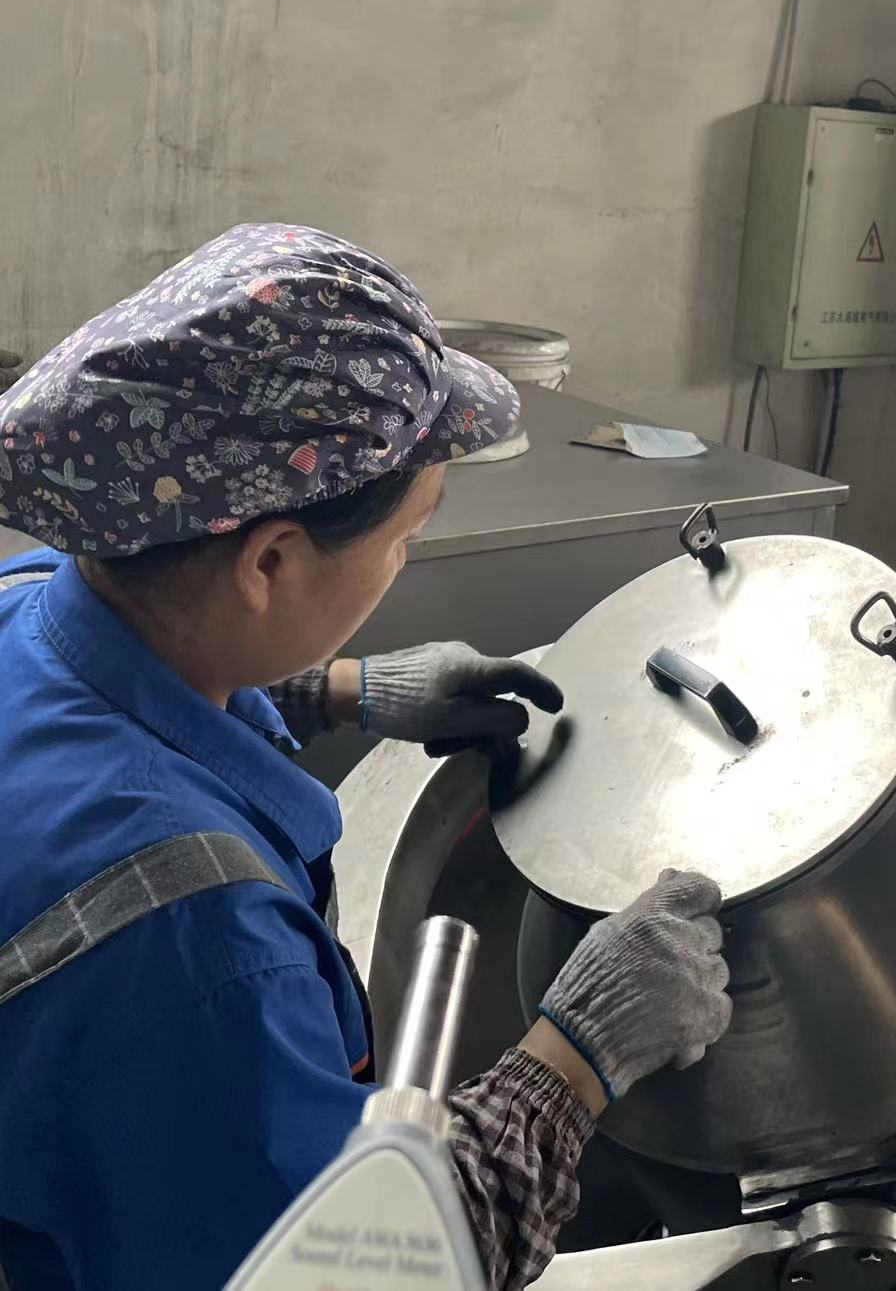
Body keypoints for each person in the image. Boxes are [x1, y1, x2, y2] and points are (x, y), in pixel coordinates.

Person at [0, 223, 733, 1291]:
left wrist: (340, 688)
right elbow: (358, 1269)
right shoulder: (203, 950)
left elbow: (109, 698)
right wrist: (577, 1055)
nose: (404, 560)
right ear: (270, 562)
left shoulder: (28, 592)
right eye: (406, 536)